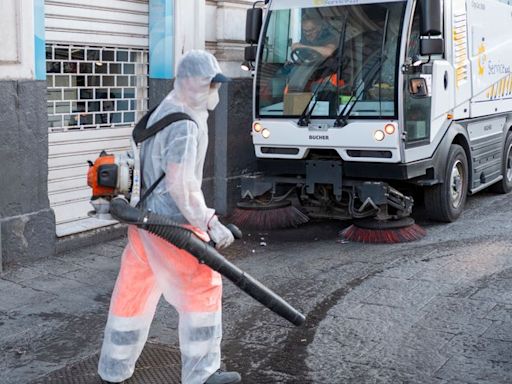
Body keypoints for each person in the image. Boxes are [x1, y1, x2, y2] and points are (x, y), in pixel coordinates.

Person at [97, 50, 241, 384]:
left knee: (132, 292)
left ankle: (114, 368)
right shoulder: (185, 125)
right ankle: (203, 375)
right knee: (201, 290)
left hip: (143, 224)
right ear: (190, 81)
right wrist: (209, 222)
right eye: (209, 83)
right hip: (173, 226)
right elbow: (181, 184)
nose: (214, 91)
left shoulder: (160, 113)